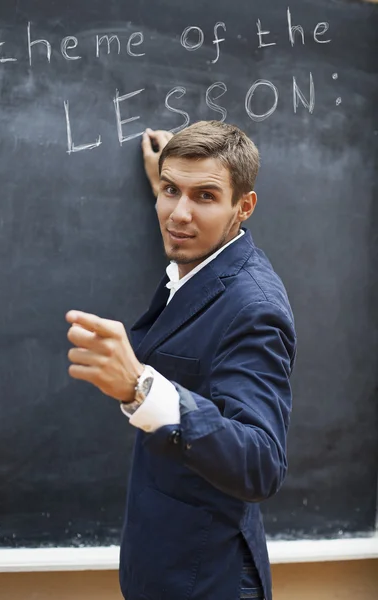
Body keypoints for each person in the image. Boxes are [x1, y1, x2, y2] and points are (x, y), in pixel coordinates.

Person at [65, 121, 296, 600]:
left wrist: (141, 389)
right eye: (170, 191)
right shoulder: (203, 261)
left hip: (207, 582)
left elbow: (261, 462)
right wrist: (174, 189)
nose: (178, 215)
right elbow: (189, 253)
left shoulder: (255, 310)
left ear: (244, 207)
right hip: (170, 569)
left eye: (206, 196)